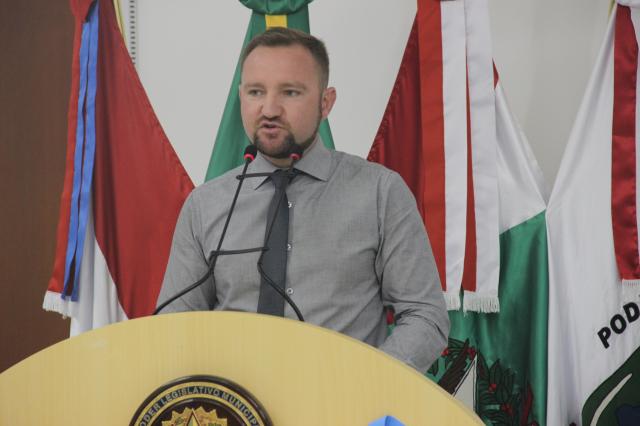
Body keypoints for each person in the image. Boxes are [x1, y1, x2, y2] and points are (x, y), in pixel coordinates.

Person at [156, 27, 449, 372]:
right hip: (233, 399)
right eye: (255, 92)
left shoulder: (380, 193)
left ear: (326, 102)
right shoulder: (205, 205)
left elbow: (425, 316)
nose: (269, 109)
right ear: (240, 96)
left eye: (290, 92)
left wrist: (369, 385)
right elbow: (173, 327)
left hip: (346, 399)